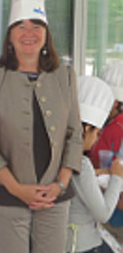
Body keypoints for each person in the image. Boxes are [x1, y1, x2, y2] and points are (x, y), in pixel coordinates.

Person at [0, 0, 83, 252]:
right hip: (7, 196)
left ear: (46, 34)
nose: (29, 33)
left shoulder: (64, 76)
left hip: (54, 196)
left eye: (36, 26)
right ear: (10, 35)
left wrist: (60, 183)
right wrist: (16, 188)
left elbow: (75, 134)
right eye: (21, 26)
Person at [66, 76, 123, 253]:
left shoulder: (63, 153)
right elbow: (103, 214)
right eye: (96, 133)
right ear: (85, 129)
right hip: (81, 243)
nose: (97, 139)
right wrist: (117, 177)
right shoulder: (80, 163)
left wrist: (94, 173)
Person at [89, 62, 123, 247]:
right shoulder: (102, 123)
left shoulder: (119, 128)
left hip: (116, 213)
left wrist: (106, 173)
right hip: (102, 205)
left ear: (116, 102)